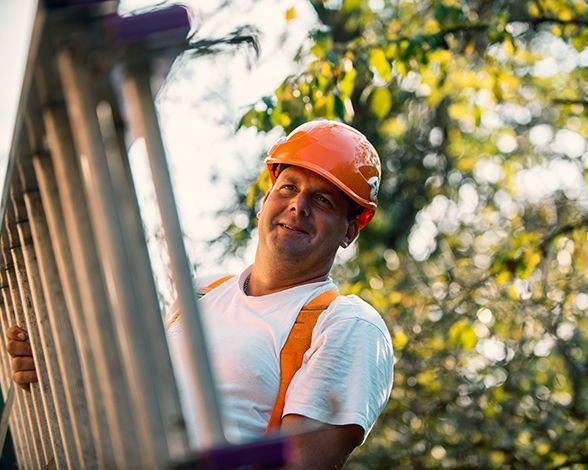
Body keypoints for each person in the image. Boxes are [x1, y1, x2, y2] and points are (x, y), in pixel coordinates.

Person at [6, 120, 394, 469]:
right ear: (265, 201)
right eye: (289, 187)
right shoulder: (202, 292)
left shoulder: (346, 325)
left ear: (349, 231)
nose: (298, 205)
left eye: (323, 200)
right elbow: (131, 398)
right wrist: (55, 373)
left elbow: (299, 464)